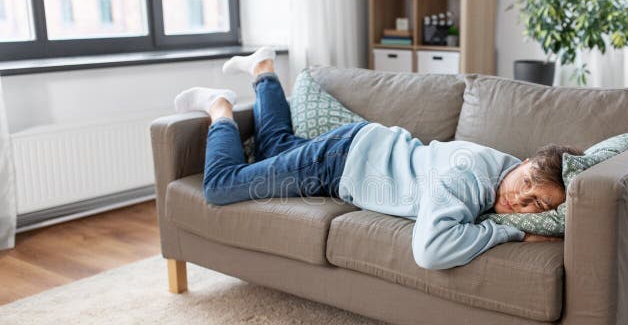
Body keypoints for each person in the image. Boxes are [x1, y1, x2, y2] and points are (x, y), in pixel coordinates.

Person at [173, 47, 582, 270]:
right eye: (526, 183)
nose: (521, 202)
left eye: (539, 206)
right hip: (340, 160)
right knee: (222, 185)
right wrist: (513, 232)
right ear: (524, 161)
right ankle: (221, 107)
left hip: (356, 156)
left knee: (274, 147)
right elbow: (432, 251)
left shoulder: (504, 170)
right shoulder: (469, 176)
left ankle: (263, 70)